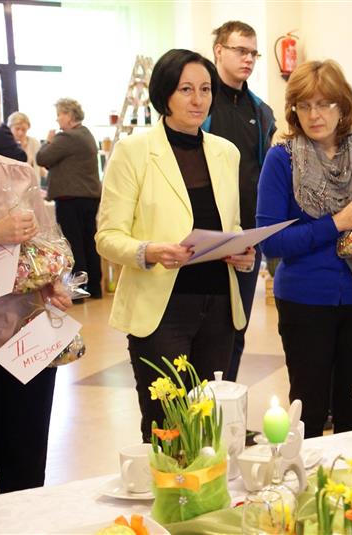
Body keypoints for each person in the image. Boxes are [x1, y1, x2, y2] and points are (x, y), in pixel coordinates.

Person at [95, 49, 254, 441]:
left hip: (218, 306)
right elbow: (107, 236)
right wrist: (149, 251)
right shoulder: (134, 151)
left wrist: (242, 253)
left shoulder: (226, 152)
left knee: (211, 426)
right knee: (167, 426)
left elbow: (230, 225)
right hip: (162, 309)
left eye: (205, 89)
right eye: (186, 89)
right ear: (164, 94)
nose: (198, 99)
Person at [257, 60, 352, 438]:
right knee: (309, 410)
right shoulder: (282, 159)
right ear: (293, 110)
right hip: (305, 299)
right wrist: (336, 223)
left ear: (343, 106)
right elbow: (270, 241)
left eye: (325, 104)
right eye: (304, 105)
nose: (315, 115)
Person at [0, 64, 72, 495]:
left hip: (26, 340)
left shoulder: (16, 172)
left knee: (26, 475)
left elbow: (44, 248)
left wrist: (52, 281)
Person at [204, 21, 276, 382]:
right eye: (240, 51)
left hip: (247, 236)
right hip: (204, 236)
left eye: (253, 53)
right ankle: (198, 408)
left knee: (236, 330)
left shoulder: (260, 111)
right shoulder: (201, 103)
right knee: (205, 331)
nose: (248, 59)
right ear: (219, 50)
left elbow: (263, 172)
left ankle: (226, 401)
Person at [36, 98, 103, 298]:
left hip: (70, 198)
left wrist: (48, 141)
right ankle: (95, 288)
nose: (57, 119)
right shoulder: (86, 134)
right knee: (89, 241)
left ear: (69, 115)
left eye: (59, 114)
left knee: (73, 243)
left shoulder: (66, 137)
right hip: (89, 197)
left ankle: (77, 290)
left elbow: (42, 158)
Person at [8, 111, 46, 186]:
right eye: (17, 129)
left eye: (23, 129)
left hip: (32, 185)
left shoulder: (34, 142)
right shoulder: (6, 145)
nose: (20, 133)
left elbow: (38, 167)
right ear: (10, 128)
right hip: (13, 186)